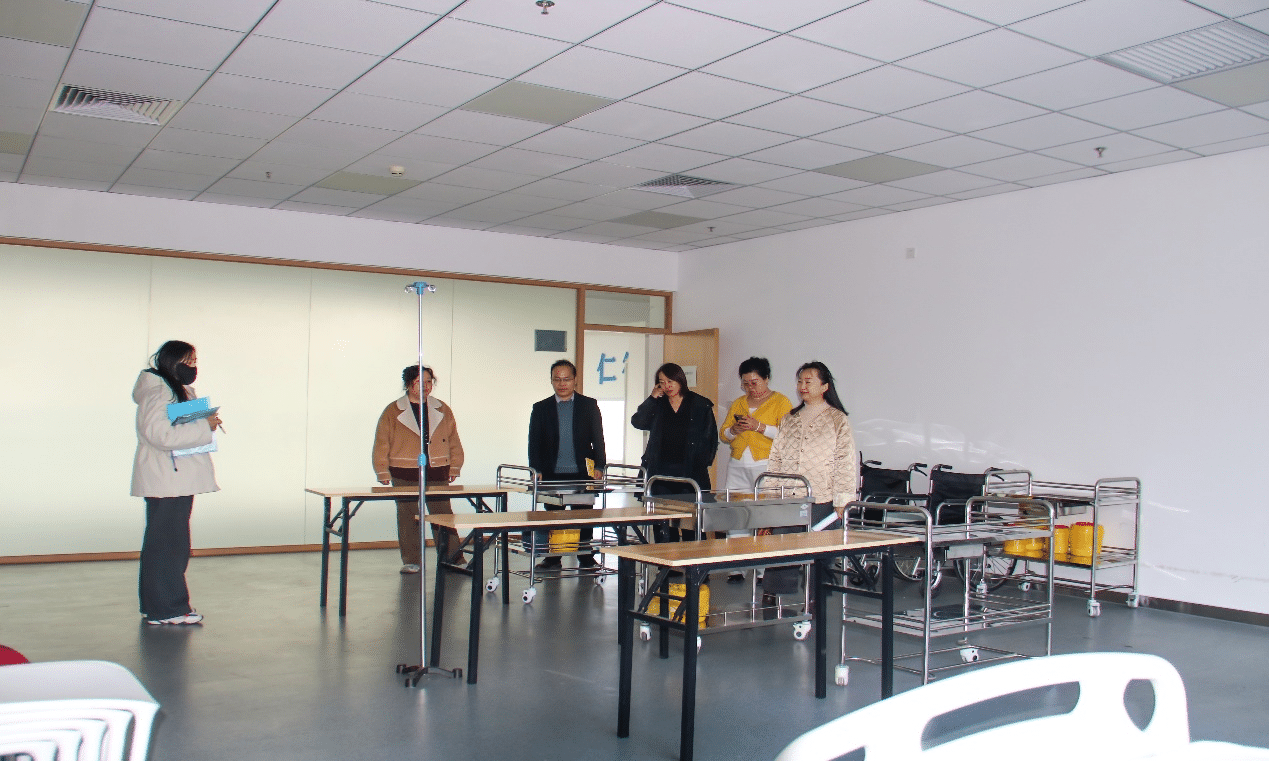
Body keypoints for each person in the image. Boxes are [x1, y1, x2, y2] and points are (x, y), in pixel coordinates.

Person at [132, 340, 222, 626]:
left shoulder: (171, 390)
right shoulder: (159, 392)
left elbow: (174, 425)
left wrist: (202, 418)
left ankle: (158, 608)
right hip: (167, 480)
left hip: (173, 479)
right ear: (172, 362)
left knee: (168, 544)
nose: (193, 367)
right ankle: (169, 609)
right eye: (188, 361)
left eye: (195, 362)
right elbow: (160, 435)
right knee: (168, 547)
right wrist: (204, 426)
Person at [762, 361, 857, 603]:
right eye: (800, 381)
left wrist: (843, 500)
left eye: (808, 381)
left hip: (822, 497)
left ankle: (816, 600)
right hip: (789, 496)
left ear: (824, 386)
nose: (802, 386)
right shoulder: (789, 418)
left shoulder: (837, 419)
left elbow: (845, 461)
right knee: (781, 548)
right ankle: (772, 595)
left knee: (819, 553)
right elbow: (776, 458)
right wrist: (769, 495)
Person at [373, 365, 464, 574]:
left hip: (437, 470)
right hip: (403, 471)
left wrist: (455, 466)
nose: (425, 386)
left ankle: (453, 558)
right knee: (408, 517)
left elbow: (453, 440)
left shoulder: (442, 409)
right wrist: (382, 471)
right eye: (419, 382)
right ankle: (412, 560)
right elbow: (382, 443)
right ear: (408, 384)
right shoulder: (393, 411)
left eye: (429, 382)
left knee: (443, 516)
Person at [527, 359, 607, 571]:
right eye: (557, 379)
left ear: (575, 380)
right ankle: (554, 558)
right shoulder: (541, 408)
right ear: (551, 381)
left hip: (582, 472)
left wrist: (600, 466)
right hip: (552, 473)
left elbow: (598, 439)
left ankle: (585, 557)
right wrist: (536, 469)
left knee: (584, 516)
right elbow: (534, 442)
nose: (562, 384)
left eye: (566, 379)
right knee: (555, 517)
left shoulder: (588, 405)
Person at [720, 356, 792, 582]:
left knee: (764, 515)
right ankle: (736, 566)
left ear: (766, 379)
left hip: (766, 464)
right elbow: (724, 434)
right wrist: (734, 430)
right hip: (738, 463)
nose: (750, 388)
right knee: (736, 513)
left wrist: (759, 427)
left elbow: (787, 434)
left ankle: (763, 569)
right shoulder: (739, 403)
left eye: (755, 382)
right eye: (746, 383)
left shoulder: (781, 401)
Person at [631, 362, 718, 543]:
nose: (667, 386)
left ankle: (694, 560)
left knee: (691, 527)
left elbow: (711, 438)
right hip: (661, 475)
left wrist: (702, 462)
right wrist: (651, 398)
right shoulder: (658, 403)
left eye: (670, 381)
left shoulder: (699, 404)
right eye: (662, 382)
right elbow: (638, 422)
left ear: (680, 380)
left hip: (690, 475)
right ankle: (666, 560)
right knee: (664, 526)